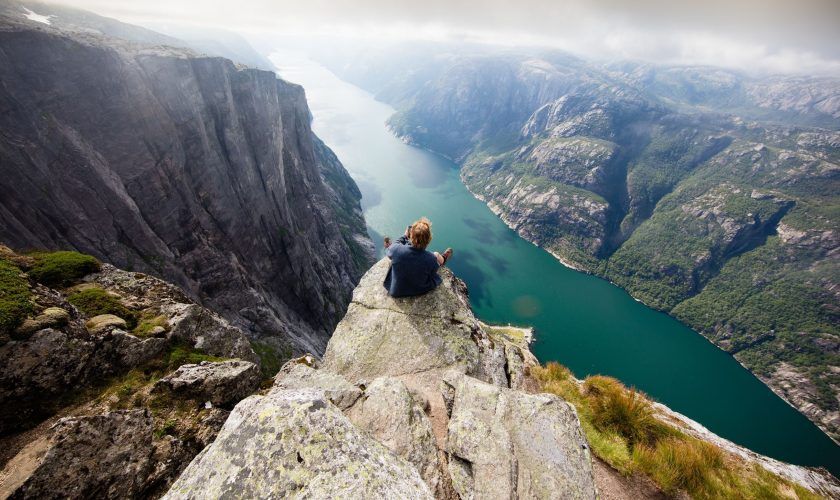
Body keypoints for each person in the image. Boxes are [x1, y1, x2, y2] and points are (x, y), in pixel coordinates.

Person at [383, 217, 453, 298]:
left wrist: (405, 236)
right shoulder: (431, 259)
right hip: (419, 290)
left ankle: (442, 258)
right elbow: (432, 273)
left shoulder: (396, 249)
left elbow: (393, 246)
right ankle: (443, 259)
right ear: (429, 240)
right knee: (436, 254)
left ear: (411, 236)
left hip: (396, 290)